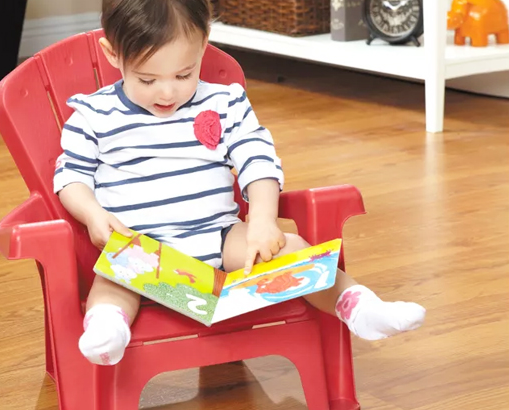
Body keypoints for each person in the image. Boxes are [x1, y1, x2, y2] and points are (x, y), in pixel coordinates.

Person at [53, 0, 426, 366]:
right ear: (113, 53)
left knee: (293, 249)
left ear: (204, 43)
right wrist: (92, 214)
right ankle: (107, 331)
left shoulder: (224, 102)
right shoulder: (94, 114)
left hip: (220, 237)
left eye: (184, 74)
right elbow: (71, 176)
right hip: (141, 249)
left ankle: (360, 307)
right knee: (112, 282)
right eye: (147, 79)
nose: (167, 93)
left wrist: (263, 223)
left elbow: (257, 160)